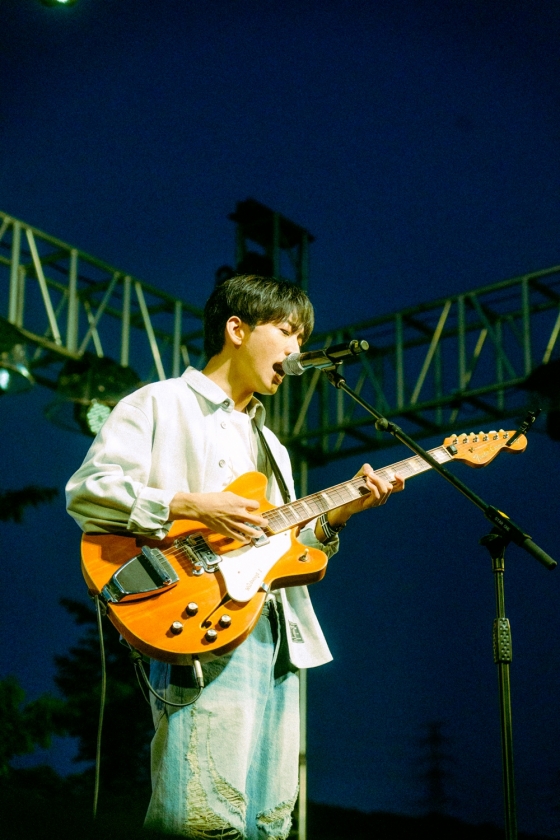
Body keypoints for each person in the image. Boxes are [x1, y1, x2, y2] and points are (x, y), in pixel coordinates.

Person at [66, 275, 404, 840]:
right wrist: (191, 503)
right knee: (203, 813)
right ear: (236, 329)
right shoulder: (160, 403)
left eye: (303, 337)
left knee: (269, 821)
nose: (298, 349)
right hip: (198, 619)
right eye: (288, 331)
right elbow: (88, 492)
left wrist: (336, 518)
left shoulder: (273, 447)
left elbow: (285, 552)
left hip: (276, 632)